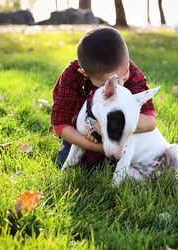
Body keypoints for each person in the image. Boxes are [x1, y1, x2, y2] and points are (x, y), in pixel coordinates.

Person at [51, 27, 156, 170]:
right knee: (66, 164)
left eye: (125, 73)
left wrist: (102, 126)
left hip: (117, 141)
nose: (119, 85)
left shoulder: (133, 76)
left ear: (127, 59)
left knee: (108, 169)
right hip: (79, 138)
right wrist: (95, 147)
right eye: (108, 83)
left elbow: (150, 121)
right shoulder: (72, 75)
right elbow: (60, 125)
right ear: (85, 73)